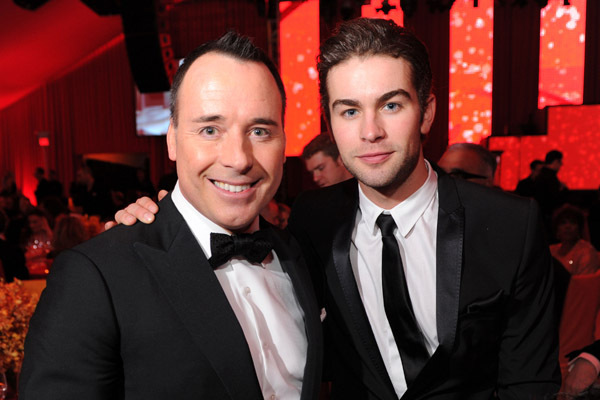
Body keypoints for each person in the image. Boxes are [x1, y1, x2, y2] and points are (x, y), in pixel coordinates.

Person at [113, 18, 560, 399]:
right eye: (349, 111)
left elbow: (529, 384)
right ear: (330, 122)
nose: (370, 131)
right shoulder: (313, 220)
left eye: (390, 105)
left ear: (426, 112)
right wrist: (156, 217)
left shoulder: (510, 224)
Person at [20, 32, 322, 400]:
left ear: (283, 142)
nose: (239, 158)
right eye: (210, 129)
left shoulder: (301, 254)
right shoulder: (96, 275)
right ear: (172, 141)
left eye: (260, 131)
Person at [550, 205, 600, 276]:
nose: (568, 226)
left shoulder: (586, 251)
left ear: (579, 228)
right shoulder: (551, 250)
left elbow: (584, 283)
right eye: (563, 223)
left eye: (572, 222)